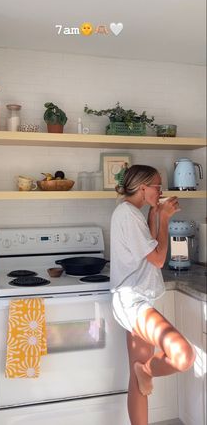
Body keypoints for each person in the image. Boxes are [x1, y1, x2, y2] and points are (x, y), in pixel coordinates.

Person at [110, 164, 195, 425]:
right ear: (143, 186)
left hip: (131, 298)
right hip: (134, 301)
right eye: (157, 185)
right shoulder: (127, 215)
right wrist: (166, 219)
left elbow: (148, 239)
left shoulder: (130, 213)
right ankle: (145, 368)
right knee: (183, 355)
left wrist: (156, 213)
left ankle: (142, 371)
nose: (160, 190)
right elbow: (158, 258)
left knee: (137, 383)